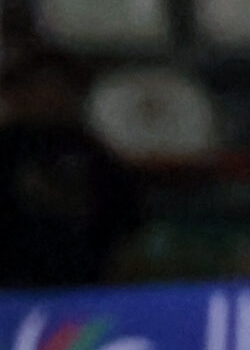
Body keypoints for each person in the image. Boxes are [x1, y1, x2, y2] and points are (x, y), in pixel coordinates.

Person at [0, 50, 143, 288]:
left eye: (59, 87)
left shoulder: (92, 152)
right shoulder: (6, 149)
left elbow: (125, 217)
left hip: (82, 284)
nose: (48, 96)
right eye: (37, 87)